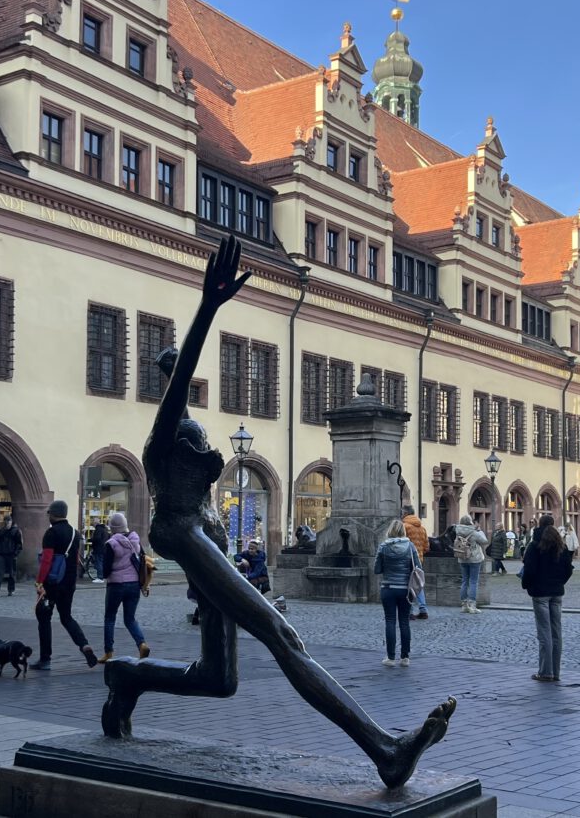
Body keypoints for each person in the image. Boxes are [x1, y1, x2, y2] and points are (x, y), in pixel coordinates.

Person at [99, 235, 454, 790]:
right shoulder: (162, 432)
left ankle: (127, 677)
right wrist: (209, 307)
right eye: (174, 373)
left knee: (219, 679)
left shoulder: (188, 426)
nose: (180, 378)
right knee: (281, 635)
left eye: (180, 372)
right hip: (183, 535)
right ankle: (383, 748)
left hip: (206, 536)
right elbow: (186, 366)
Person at [31, 499, 98, 671]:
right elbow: (76, 559)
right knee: (66, 617)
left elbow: (46, 560)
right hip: (69, 582)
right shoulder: (75, 533)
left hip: (52, 583)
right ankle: (84, 645)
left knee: (43, 617)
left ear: (53, 514)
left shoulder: (51, 533)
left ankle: (45, 659)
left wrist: (40, 581)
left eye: (49, 513)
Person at [522, 515, 573, 682]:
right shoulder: (561, 545)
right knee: (556, 633)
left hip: (540, 594)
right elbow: (568, 569)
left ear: (539, 525)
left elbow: (528, 570)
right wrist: (559, 582)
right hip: (557, 593)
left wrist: (527, 585)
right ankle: (556, 672)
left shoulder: (535, 545)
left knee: (544, 633)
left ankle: (545, 672)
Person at [98, 512, 150, 663]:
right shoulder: (135, 540)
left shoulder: (111, 543)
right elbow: (143, 560)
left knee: (109, 618)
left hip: (115, 585)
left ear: (112, 527)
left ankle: (108, 653)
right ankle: (142, 644)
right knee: (130, 619)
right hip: (134, 585)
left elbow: (106, 570)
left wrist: (104, 574)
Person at [374, 519, 421, 667]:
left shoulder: (383, 547)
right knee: (404, 622)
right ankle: (405, 658)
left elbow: (377, 569)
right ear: (403, 531)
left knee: (390, 621)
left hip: (388, 588)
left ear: (390, 531)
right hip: (406, 590)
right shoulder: (410, 546)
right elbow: (418, 567)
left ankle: (390, 657)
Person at [454, 514, 488, 614]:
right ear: (470, 522)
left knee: (464, 581)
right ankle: (472, 605)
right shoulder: (474, 532)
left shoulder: (457, 530)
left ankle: (464, 605)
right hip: (474, 559)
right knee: (473, 582)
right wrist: (480, 531)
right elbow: (484, 541)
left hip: (462, 558)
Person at [402, 505, 429, 620]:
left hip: (406, 559)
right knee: (418, 584)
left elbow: (401, 544)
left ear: (406, 513)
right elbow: (427, 546)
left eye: (402, 513)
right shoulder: (422, 528)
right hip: (419, 560)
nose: (401, 515)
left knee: (408, 586)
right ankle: (423, 609)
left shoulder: (404, 526)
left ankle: (410, 612)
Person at [0, 515, 22, 597]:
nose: (7, 523)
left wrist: (16, 553)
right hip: (1, 554)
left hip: (11, 554)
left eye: (8, 521)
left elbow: (19, 544)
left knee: (12, 573)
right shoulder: (2, 530)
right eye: (6, 521)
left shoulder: (16, 531)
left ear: (11, 522)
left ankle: (11, 590)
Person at [91, 517, 108, 583]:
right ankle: (102, 576)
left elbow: (97, 538)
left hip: (99, 548)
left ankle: (100, 577)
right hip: (103, 548)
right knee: (101, 562)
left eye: (93, 522)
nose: (92, 523)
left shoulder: (98, 529)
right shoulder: (104, 529)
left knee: (99, 563)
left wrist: (91, 540)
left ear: (95, 523)